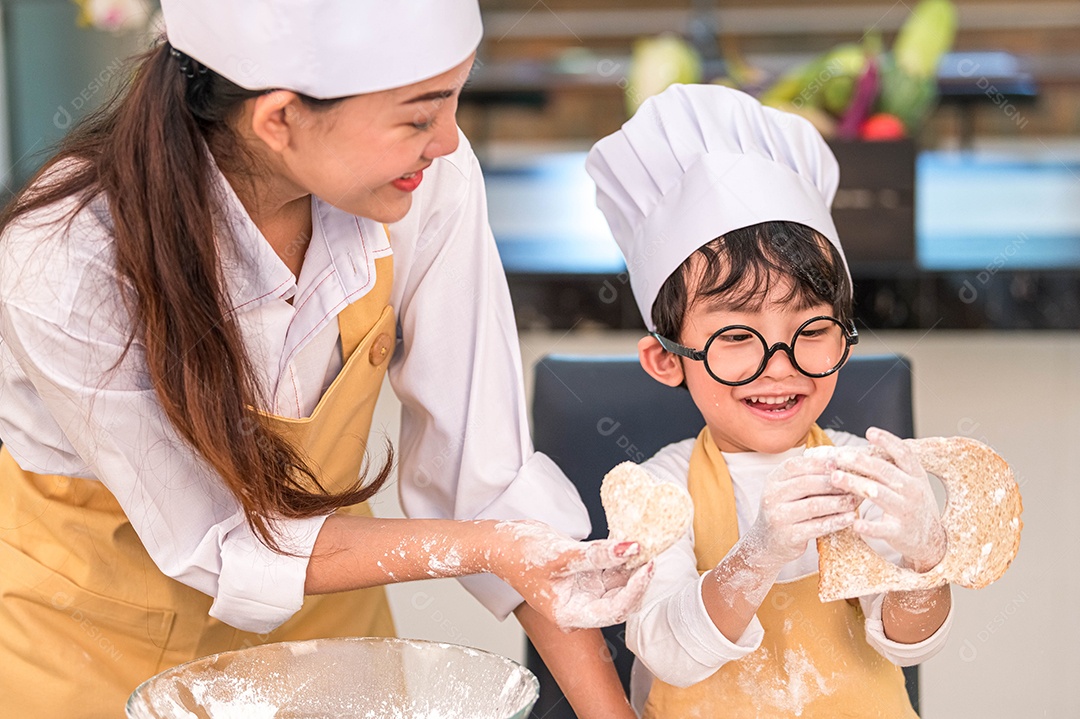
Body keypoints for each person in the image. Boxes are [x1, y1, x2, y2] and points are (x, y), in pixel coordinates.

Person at [0, 2, 649, 716]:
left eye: (455, 100)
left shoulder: (422, 179)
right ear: (278, 118)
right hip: (95, 644)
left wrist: (609, 712)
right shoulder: (66, 256)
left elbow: (487, 479)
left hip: (328, 642)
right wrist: (492, 546)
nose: (447, 142)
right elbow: (221, 543)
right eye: (419, 115)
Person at [585, 84, 954, 717]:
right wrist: (759, 553)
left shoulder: (858, 477)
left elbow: (908, 644)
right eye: (735, 336)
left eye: (811, 330)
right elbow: (667, 651)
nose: (780, 369)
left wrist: (926, 560)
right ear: (667, 358)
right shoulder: (657, 492)